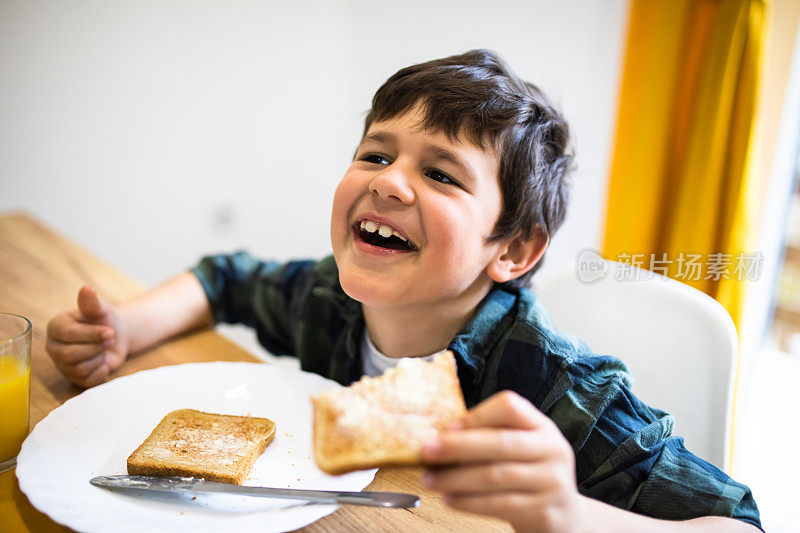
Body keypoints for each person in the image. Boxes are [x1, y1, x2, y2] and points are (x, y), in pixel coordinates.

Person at [45, 50, 761, 532]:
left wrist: (572, 511)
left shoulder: (562, 388)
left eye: (441, 174)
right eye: (376, 154)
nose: (388, 180)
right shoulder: (326, 298)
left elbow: (742, 521)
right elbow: (224, 280)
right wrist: (125, 329)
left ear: (512, 249)